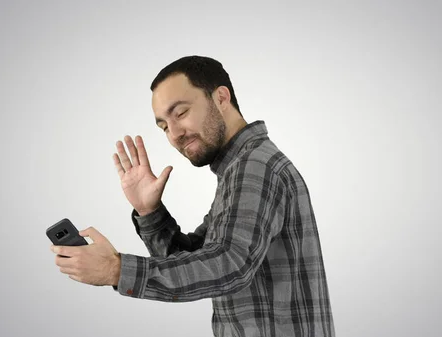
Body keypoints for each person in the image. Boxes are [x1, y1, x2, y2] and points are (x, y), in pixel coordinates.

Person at [51, 55, 336, 336]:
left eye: (181, 113)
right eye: (163, 126)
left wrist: (115, 268)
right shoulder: (240, 168)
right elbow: (197, 259)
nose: (174, 133)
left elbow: (229, 264)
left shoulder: (254, 166)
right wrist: (150, 213)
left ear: (221, 98)